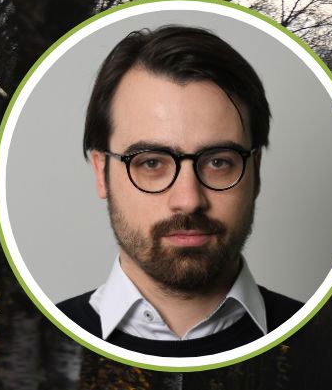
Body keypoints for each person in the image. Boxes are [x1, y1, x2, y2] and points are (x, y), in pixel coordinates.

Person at [55, 25, 302, 358]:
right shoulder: (25, 347)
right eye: (152, 163)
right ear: (102, 173)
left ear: (255, 172)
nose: (188, 200)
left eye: (218, 162)